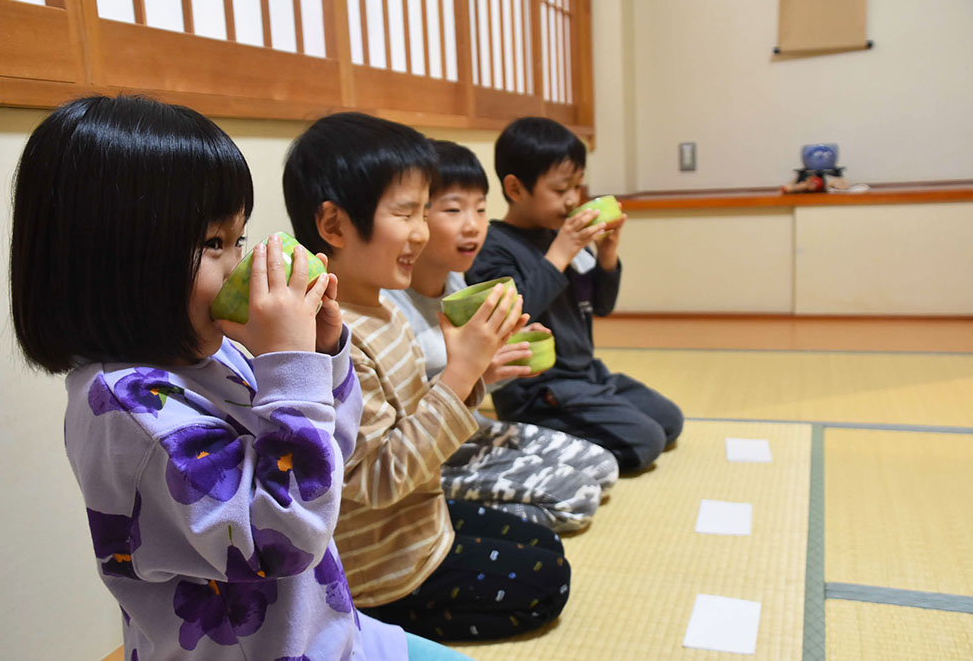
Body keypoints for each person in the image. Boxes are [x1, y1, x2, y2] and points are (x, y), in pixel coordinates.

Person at [9, 95, 470, 660]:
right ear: (117, 261)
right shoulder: (129, 409)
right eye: (213, 244)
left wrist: (322, 354)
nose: (239, 268)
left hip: (328, 629)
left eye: (239, 240)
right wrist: (289, 366)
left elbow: (330, 460)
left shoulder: (214, 353)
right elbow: (282, 538)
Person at [283, 112, 571, 641]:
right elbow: (377, 479)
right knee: (549, 581)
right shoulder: (333, 336)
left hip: (420, 515)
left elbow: (417, 415)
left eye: (424, 211)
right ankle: (373, 625)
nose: (422, 231)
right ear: (334, 225)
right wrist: (459, 375)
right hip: (384, 568)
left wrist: (476, 372)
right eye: (406, 212)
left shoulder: (385, 307)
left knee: (545, 542)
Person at [383, 139, 618, 532]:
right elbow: (398, 423)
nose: (473, 225)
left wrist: (502, 352)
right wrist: (476, 371)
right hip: (421, 453)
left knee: (603, 467)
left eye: (480, 208)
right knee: (576, 498)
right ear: (416, 218)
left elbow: (475, 377)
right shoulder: (389, 305)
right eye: (454, 210)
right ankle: (430, 522)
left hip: (467, 430)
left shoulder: (459, 283)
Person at [466, 117, 684, 474]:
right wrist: (561, 252)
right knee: (646, 442)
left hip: (587, 376)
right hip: (537, 391)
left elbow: (601, 305)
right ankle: (536, 437)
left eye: (578, 187)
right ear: (516, 189)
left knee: (669, 421)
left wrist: (607, 254)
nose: (573, 200)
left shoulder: (564, 236)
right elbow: (511, 317)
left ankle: (589, 420)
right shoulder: (494, 248)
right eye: (561, 189)